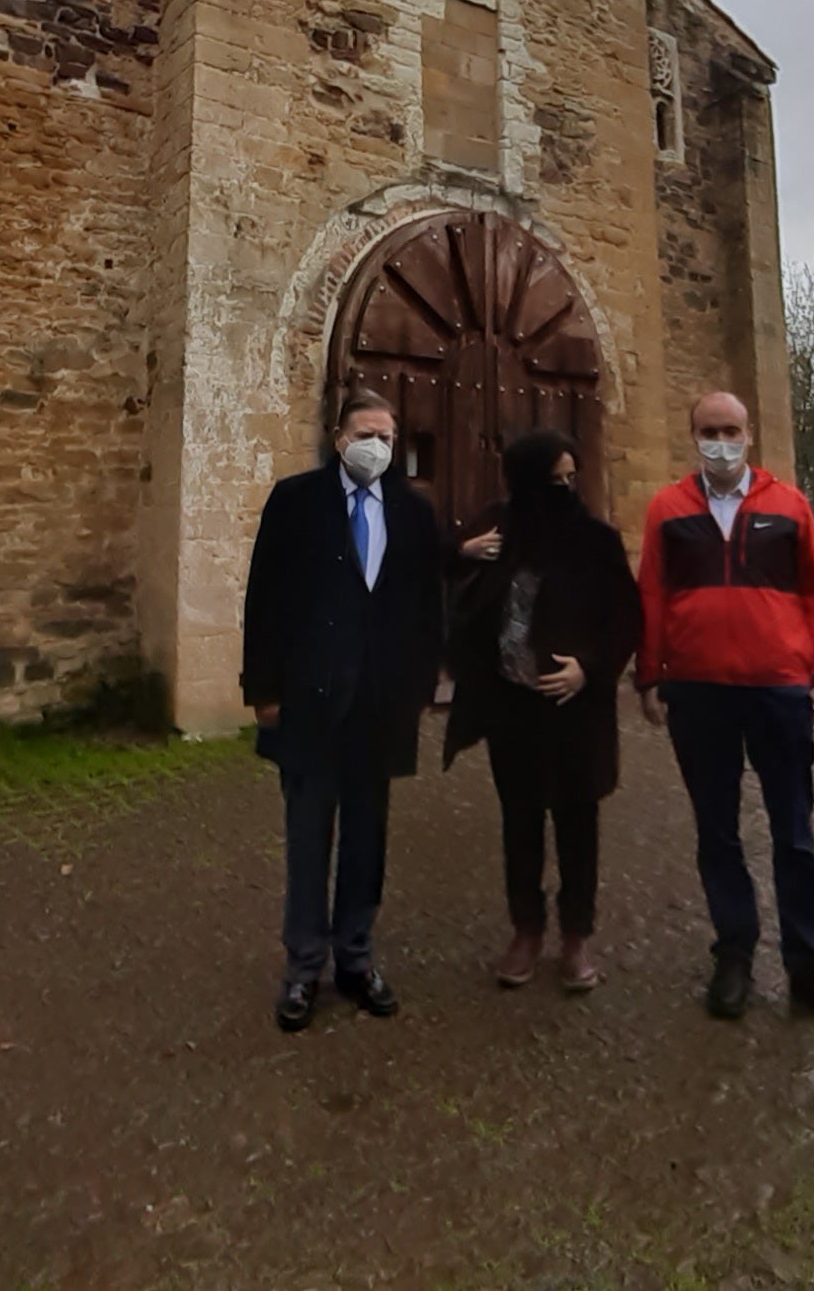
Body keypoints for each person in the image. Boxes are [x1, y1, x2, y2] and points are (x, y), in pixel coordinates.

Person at [634, 391, 814, 1035]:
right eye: (708, 431)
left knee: (794, 833)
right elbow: (651, 594)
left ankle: (811, 966)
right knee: (718, 833)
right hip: (698, 692)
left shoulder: (789, 506)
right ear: (693, 436)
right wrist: (649, 676)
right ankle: (733, 953)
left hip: (779, 691)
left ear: (749, 436)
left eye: (731, 430)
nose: (720, 441)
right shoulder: (667, 508)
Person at [241, 389, 446, 1033]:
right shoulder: (296, 501)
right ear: (339, 438)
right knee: (308, 839)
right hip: (309, 702)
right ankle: (304, 965)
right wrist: (263, 691)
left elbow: (424, 607)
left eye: (387, 437)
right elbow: (265, 598)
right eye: (366, 434)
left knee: (367, 841)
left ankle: (356, 959)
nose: (377, 447)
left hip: (380, 709)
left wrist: (420, 687)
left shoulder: (413, 513)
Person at [444, 429, 638, 993]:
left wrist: (590, 668)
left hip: (575, 708)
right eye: (553, 480)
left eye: (571, 479)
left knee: (578, 821)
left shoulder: (595, 540)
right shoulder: (497, 526)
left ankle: (576, 935)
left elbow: (623, 616)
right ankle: (526, 929)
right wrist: (463, 554)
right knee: (521, 821)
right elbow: (451, 579)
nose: (564, 489)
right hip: (512, 708)